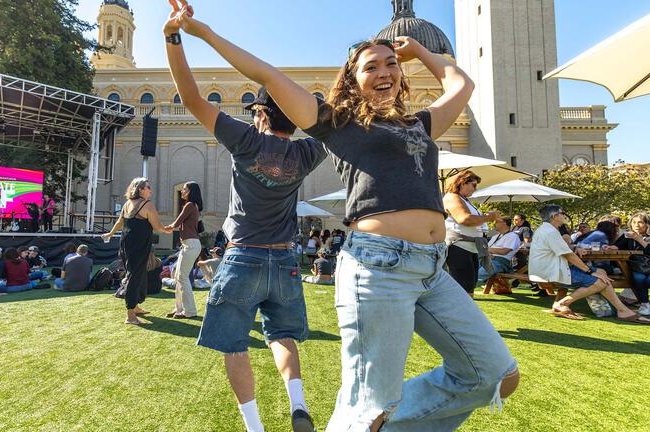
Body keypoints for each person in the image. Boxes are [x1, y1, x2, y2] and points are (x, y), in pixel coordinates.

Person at [167, 3, 518, 431]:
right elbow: (265, 75)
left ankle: (373, 423)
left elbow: (462, 84)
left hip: (433, 266)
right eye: (371, 67)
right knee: (371, 407)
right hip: (378, 266)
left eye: (391, 64)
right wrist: (199, 32)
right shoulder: (336, 123)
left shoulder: (419, 124)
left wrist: (418, 52)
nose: (385, 71)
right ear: (352, 80)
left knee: (495, 375)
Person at [165, 6, 329, 430]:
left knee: (235, 346)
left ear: (261, 114)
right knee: (282, 336)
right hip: (285, 260)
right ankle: (298, 405)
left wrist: (173, 37)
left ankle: (255, 427)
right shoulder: (308, 152)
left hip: (242, 258)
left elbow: (191, 98)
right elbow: (334, 116)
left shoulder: (246, 140)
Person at [527, 204, 649, 323]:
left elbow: (565, 249)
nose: (564, 216)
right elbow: (569, 255)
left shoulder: (546, 229)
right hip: (551, 272)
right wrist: (589, 271)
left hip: (550, 269)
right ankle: (562, 303)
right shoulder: (550, 232)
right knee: (601, 281)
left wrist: (576, 248)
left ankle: (622, 311)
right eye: (562, 213)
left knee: (601, 273)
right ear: (554, 216)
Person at [102, 177, 170, 325]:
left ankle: (136, 307)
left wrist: (110, 234)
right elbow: (157, 226)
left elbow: (119, 222)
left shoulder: (127, 204)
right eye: (148, 187)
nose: (150, 190)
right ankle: (130, 315)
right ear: (140, 189)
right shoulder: (147, 205)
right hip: (139, 246)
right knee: (133, 276)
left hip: (126, 244)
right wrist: (169, 229)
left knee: (137, 274)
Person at [443, 170, 500, 297]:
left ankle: (464, 309)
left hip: (468, 247)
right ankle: (461, 310)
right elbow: (465, 219)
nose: (475, 189)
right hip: (458, 247)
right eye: (473, 185)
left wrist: (486, 218)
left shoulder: (463, 199)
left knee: (468, 286)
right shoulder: (452, 197)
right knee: (464, 288)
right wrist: (489, 217)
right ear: (463, 182)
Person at [164, 181, 204, 319]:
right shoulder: (193, 206)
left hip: (191, 245)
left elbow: (176, 223)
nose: (182, 191)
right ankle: (179, 308)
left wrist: (162, 228)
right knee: (178, 276)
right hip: (188, 245)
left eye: (185, 189)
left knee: (182, 277)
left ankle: (190, 311)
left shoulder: (189, 205)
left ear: (191, 192)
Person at [611, 212, 650, 315]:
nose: (636, 225)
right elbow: (618, 246)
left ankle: (644, 303)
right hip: (637, 267)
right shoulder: (627, 235)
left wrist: (638, 239)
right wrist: (610, 247)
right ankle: (645, 304)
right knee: (640, 278)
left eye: (640, 222)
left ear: (647, 224)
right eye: (634, 222)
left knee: (647, 280)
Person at [477, 217, 522, 283]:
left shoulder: (513, 236)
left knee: (479, 274)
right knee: (470, 270)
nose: (494, 224)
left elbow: (504, 251)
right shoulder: (496, 235)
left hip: (500, 262)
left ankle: (467, 288)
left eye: (496, 222)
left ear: (504, 223)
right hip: (487, 259)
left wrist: (487, 250)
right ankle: (467, 287)